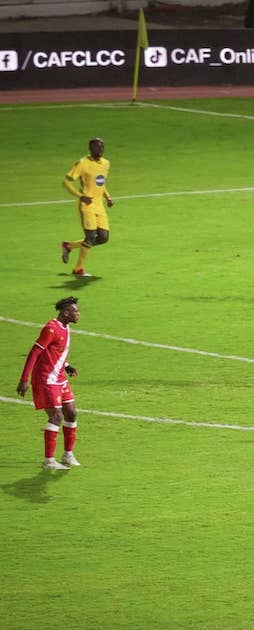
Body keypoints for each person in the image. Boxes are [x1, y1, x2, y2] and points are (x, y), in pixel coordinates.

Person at [16, 297, 84, 470]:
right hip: (46, 379)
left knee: (71, 413)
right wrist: (24, 379)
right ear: (66, 313)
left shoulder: (65, 327)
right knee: (56, 417)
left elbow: (54, 352)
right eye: (76, 311)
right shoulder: (51, 329)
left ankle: (68, 455)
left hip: (59, 377)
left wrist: (67, 366)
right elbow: (34, 353)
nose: (78, 314)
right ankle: (49, 461)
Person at [60, 138, 114, 278]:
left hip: (99, 206)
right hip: (87, 205)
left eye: (102, 147)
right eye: (97, 147)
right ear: (90, 149)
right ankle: (78, 269)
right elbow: (66, 182)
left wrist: (107, 197)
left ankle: (68, 246)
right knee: (90, 237)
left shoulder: (106, 163)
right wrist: (81, 196)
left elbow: (100, 183)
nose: (100, 150)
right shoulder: (83, 163)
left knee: (103, 238)